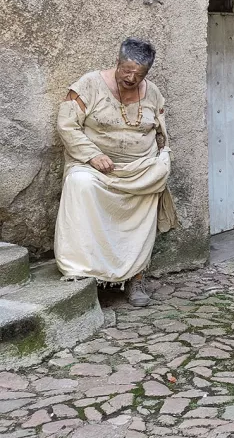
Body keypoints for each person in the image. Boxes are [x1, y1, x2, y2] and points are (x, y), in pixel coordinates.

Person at [54, 38, 175, 307]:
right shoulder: (89, 85)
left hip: (138, 169)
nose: (131, 78)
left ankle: (136, 278)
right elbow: (67, 125)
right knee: (80, 184)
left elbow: (160, 133)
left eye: (139, 74)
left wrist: (160, 160)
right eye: (126, 70)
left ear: (147, 72)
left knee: (150, 192)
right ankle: (84, 277)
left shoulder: (153, 93)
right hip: (93, 166)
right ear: (117, 62)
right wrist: (92, 155)